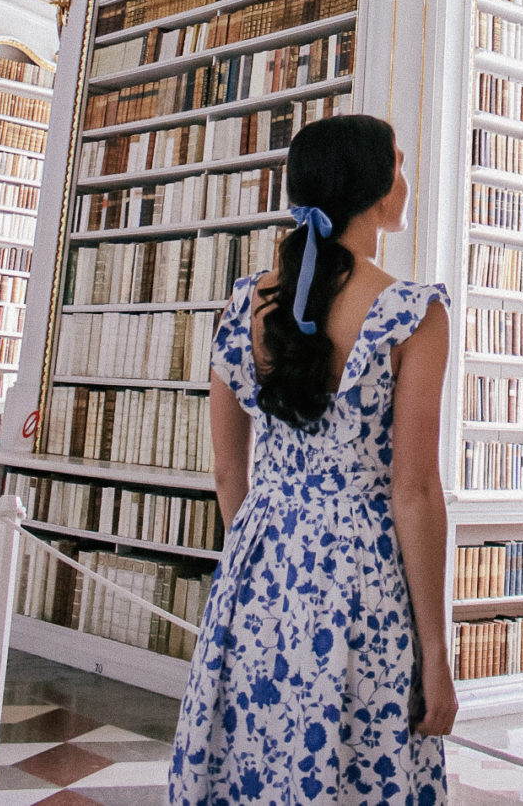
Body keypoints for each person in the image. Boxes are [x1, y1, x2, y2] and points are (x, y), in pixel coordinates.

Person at [169, 113, 456, 803]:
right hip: (364, 579)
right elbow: (413, 491)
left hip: (260, 565)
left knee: (258, 759)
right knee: (361, 760)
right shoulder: (413, 311)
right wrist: (437, 655)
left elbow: (226, 473)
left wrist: (264, 551)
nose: (406, 179)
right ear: (375, 184)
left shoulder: (246, 303)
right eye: (399, 162)